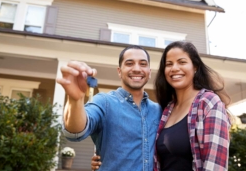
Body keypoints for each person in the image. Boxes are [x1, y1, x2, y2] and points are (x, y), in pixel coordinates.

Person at [91, 41, 231, 171]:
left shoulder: (209, 103)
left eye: (182, 62)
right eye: (169, 64)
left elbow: (215, 165)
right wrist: (107, 158)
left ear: (195, 67)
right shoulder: (166, 110)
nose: (174, 68)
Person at [57, 45, 162, 171]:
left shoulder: (159, 111)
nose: (137, 69)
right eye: (129, 63)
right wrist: (75, 100)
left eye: (143, 64)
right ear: (119, 71)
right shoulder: (104, 102)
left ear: (149, 72)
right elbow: (75, 131)